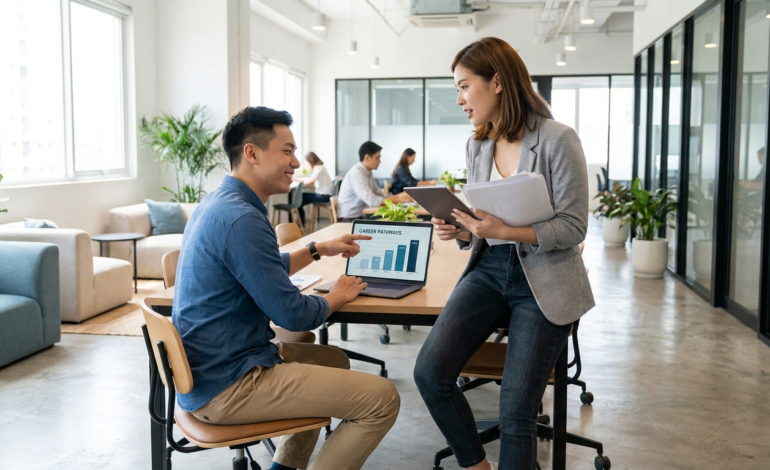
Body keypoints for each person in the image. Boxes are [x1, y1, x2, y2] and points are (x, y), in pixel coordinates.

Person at [172, 106, 400, 470]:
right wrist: (336, 296)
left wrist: (316, 249)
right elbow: (292, 315)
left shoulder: (218, 204)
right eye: (287, 150)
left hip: (211, 369)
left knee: (334, 361)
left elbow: (263, 268)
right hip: (229, 384)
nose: (296, 162)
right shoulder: (243, 218)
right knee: (383, 399)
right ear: (252, 153)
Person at [413, 37, 594, 470]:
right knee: (430, 373)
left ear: (496, 82)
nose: (459, 99)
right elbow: (483, 223)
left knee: (516, 412)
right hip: (490, 268)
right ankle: (477, 465)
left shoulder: (557, 140)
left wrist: (507, 229)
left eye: (463, 86)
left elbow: (574, 227)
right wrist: (459, 229)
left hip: (545, 277)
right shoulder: (477, 146)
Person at [337, 141, 412, 221]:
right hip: (349, 219)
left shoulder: (368, 173)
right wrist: (399, 199)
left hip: (362, 216)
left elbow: (379, 193)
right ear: (367, 158)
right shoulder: (357, 173)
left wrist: (399, 197)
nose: (380, 161)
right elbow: (372, 201)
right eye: (377, 157)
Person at [294, 151, 333, 225]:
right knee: (301, 198)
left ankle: (301, 223)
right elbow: (310, 179)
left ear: (310, 161)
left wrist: (297, 180)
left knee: (300, 199)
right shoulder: (320, 168)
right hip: (325, 195)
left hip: (324, 196)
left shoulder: (319, 168)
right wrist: (298, 179)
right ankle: (300, 223)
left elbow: (309, 181)